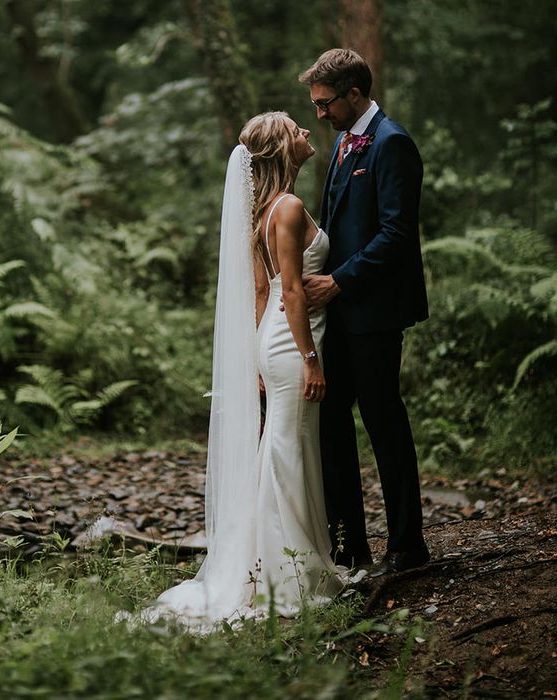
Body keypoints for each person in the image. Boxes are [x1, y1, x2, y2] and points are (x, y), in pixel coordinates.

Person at [129, 111, 350, 633]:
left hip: (275, 339)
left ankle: (278, 563)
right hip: (295, 340)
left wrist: (258, 356)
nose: (305, 132)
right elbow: (292, 291)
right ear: (281, 148)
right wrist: (311, 360)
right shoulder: (289, 208)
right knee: (288, 448)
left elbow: (260, 291)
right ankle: (288, 574)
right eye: (296, 129)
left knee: (284, 445)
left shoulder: (263, 210)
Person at [299, 49, 430, 575]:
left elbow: (397, 234)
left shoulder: (392, 143)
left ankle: (407, 546)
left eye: (325, 103)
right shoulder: (342, 143)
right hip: (338, 315)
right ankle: (350, 545)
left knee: (383, 422)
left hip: (374, 312)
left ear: (355, 93)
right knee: (332, 421)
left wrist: (338, 281)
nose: (319, 114)